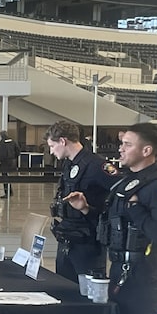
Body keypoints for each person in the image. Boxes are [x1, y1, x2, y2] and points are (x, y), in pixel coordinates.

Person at [67, 124, 157, 314]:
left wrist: (136, 209)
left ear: (146, 150)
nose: (121, 149)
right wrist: (86, 210)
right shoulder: (125, 182)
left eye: (127, 145)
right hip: (120, 268)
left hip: (144, 274)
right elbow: (113, 224)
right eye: (122, 144)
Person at [46, 120, 119, 283]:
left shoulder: (96, 165)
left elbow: (121, 190)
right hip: (67, 238)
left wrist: (87, 208)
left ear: (63, 141)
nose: (51, 152)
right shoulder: (69, 164)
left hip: (88, 244)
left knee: (88, 296)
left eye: (52, 146)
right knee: (63, 291)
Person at [0, 129, 19, 197]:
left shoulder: (1, 143)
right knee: (10, 177)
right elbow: (18, 150)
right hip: (12, 161)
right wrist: (14, 157)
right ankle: (10, 192)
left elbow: (1, 154)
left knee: (5, 178)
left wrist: (0, 161)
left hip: (4, 162)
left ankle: (7, 193)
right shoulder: (13, 141)